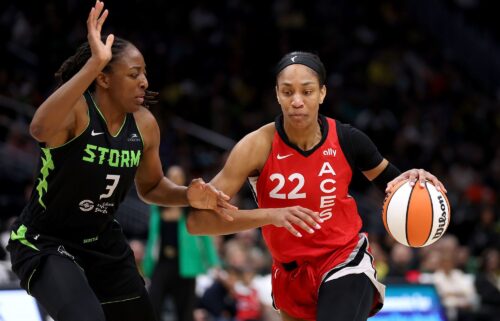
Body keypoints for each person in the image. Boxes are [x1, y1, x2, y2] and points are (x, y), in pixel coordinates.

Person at [6, 2, 235, 321]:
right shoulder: (78, 111)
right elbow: (39, 128)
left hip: (101, 241)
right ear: (103, 79)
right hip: (45, 239)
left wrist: (186, 195)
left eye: (144, 72)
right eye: (133, 73)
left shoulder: (144, 124)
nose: (144, 81)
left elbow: (152, 186)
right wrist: (94, 63)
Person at [186, 51, 447, 321]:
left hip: (344, 260)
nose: (297, 101)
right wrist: (271, 215)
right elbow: (198, 222)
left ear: (322, 93)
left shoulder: (348, 139)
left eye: (307, 91)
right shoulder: (255, 147)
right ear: (277, 94)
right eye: (287, 92)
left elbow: (393, 185)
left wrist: (414, 180)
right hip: (289, 275)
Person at [143, 165, 221, 321]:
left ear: (184, 180)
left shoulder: (191, 207)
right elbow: (152, 237)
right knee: (152, 305)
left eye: (178, 177)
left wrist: (214, 262)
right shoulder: (157, 207)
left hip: (186, 265)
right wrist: (147, 264)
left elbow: (204, 236)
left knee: (185, 312)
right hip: (162, 263)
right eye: (171, 176)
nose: (174, 180)